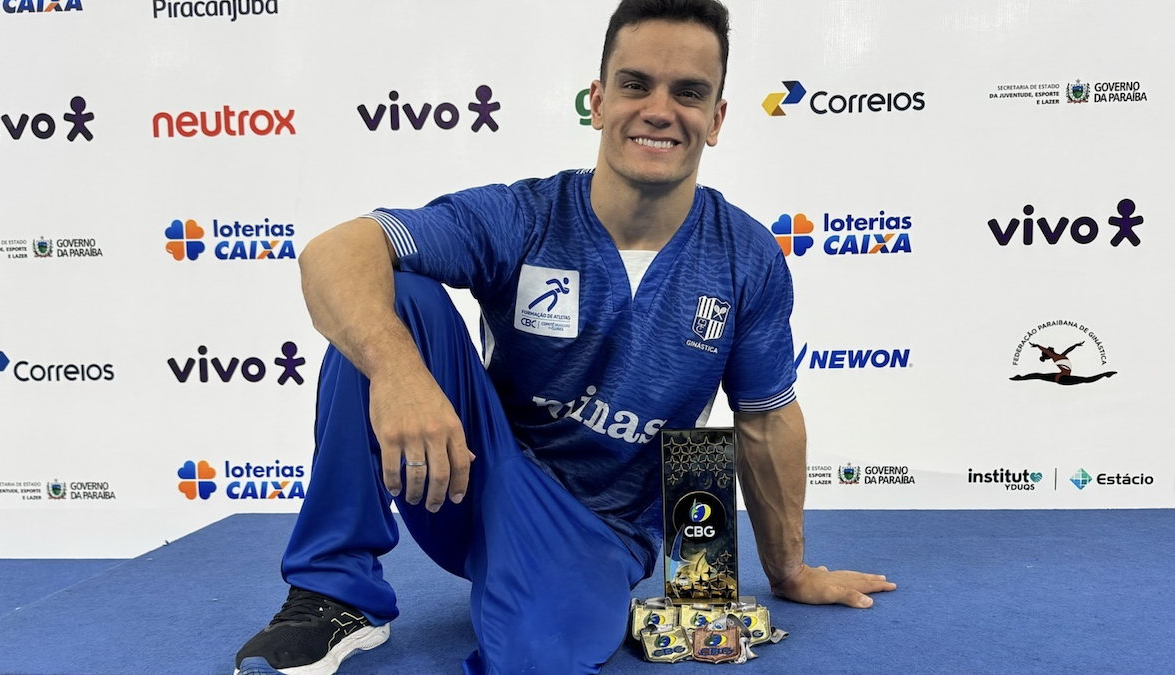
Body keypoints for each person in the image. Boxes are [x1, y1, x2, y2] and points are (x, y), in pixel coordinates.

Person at [235, 1, 896, 673]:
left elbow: (767, 417)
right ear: (599, 101)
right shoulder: (524, 215)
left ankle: (543, 599)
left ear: (717, 118)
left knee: (538, 659)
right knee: (393, 298)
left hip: (598, 530)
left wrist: (788, 570)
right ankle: (334, 595)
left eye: (688, 92)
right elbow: (335, 251)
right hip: (471, 479)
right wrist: (398, 373)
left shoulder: (746, 257)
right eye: (636, 84)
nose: (659, 110)